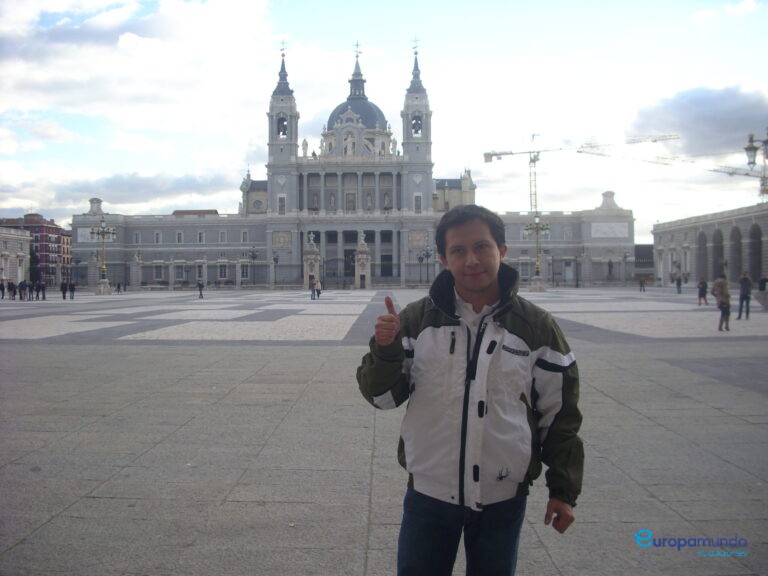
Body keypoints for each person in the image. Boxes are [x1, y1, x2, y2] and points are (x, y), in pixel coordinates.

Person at [357, 205, 583, 576]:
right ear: (444, 259)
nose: (472, 259)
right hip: (428, 494)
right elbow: (382, 398)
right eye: (459, 251)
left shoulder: (538, 327)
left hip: (503, 497)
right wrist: (385, 350)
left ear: (503, 250)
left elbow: (560, 415)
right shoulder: (416, 319)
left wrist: (563, 490)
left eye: (482, 246)